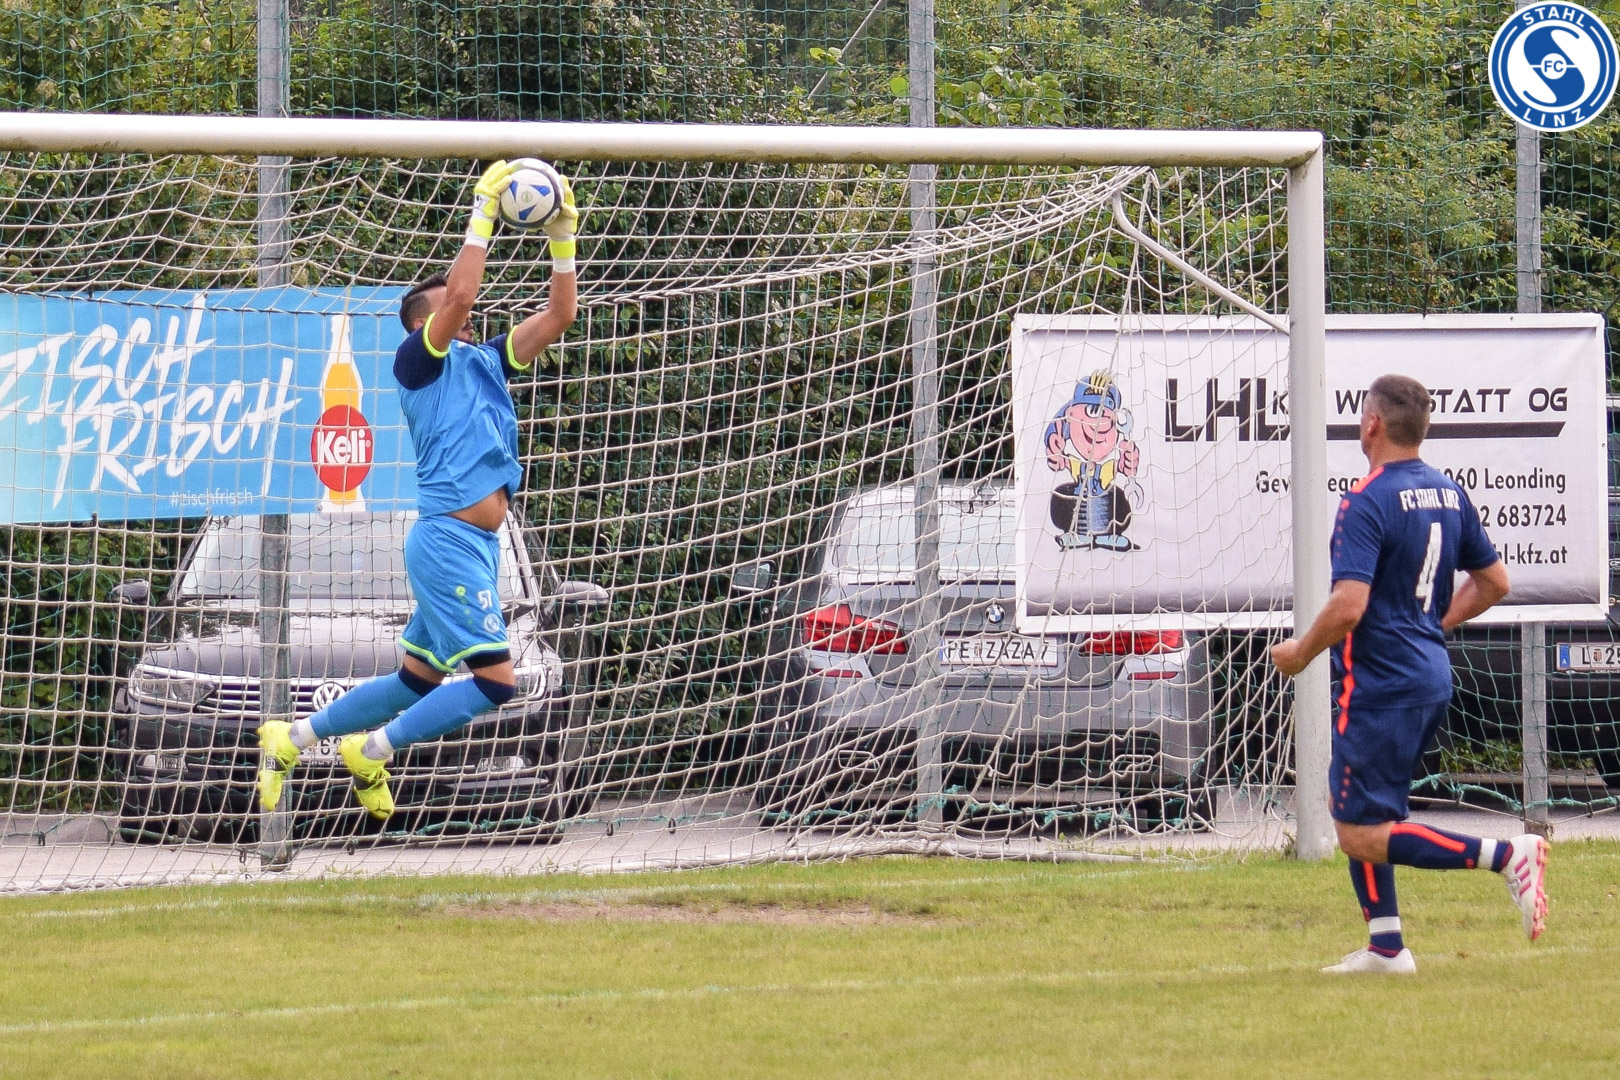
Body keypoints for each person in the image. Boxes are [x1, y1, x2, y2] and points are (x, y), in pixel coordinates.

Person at [256, 159, 580, 820]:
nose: (467, 313)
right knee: (496, 684)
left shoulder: (486, 360)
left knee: (416, 679)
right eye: (449, 309)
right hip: (447, 542)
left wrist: (562, 235)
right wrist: (482, 214)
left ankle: (289, 739)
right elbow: (457, 296)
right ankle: (372, 749)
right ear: (419, 325)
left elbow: (559, 313)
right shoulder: (416, 365)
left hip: (475, 546)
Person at [1269, 373, 1546, 975]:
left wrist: (1301, 654)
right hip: (1426, 675)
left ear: (1372, 423)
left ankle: (1506, 855)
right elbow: (1495, 582)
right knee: (1363, 809)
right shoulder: (1448, 491)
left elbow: (1349, 606)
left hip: (1380, 684)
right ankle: (1386, 948)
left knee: (1358, 833)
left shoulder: (1366, 499)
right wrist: (1431, 625)